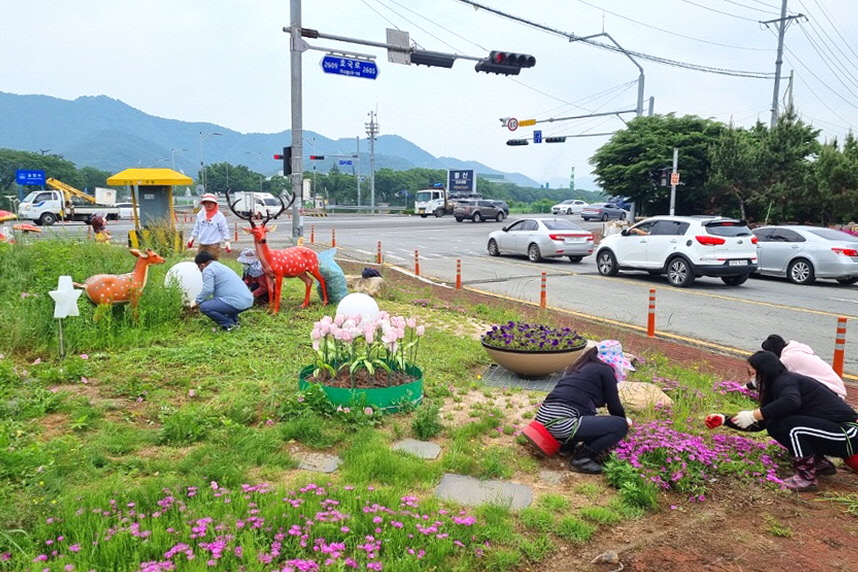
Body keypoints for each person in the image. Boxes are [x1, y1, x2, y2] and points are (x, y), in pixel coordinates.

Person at [706, 350, 858, 491]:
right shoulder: (775, 388)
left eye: (753, 373)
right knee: (774, 424)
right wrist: (724, 420)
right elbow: (762, 423)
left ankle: (807, 477)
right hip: (833, 433)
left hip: (848, 433)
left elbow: (791, 402)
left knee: (793, 427)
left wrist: (753, 414)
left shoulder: (785, 380)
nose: (752, 379)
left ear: (764, 372)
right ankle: (819, 464)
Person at [535, 340, 634, 474]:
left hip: (543, 419)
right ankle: (582, 460)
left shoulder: (578, 367)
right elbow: (614, 406)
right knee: (619, 425)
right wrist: (624, 422)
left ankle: (567, 447)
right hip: (561, 423)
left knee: (586, 414)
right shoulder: (605, 370)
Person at [754, 334, 847, 399]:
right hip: (836, 389)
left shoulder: (787, 359)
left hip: (831, 393)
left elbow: (769, 379)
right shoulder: (796, 350)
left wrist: (746, 387)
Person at [193, 250, 253, 332]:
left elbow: (208, 289)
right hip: (247, 300)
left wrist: (197, 301)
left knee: (205, 306)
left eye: (198, 267)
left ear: (202, 265)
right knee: (224, 300)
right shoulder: (219, 266)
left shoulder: (208, 270)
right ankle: (235, 322)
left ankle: (229, 325)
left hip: (236, 302)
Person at [187, 193, 230, 259]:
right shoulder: (200, 214)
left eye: (211, 203)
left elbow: (224, 229)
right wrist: (192, 237)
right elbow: (197, 227)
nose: (209, 205)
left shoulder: (219, 216)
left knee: (212, 263)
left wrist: (227, 241)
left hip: (213, 245)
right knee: (200, 263)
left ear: (214, 204)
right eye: (207, 203)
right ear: (204, 203)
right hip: (202, 244)